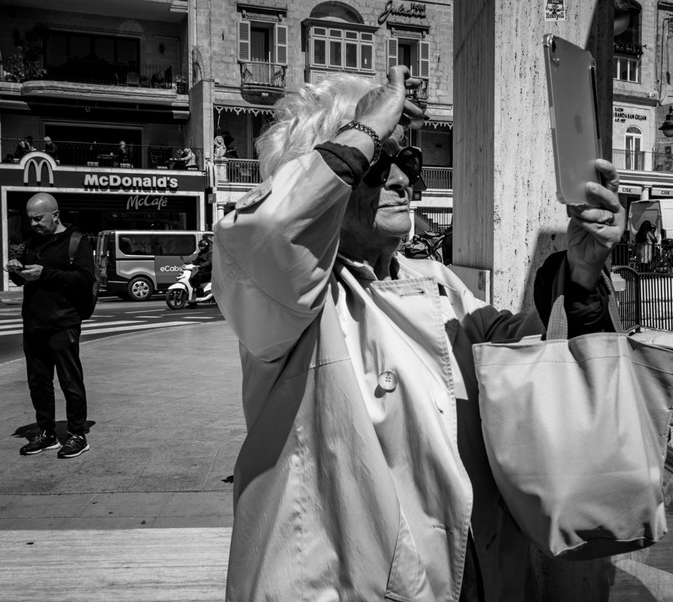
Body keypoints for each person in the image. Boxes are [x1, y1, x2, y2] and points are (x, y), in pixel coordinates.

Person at [213, 66, 623, 600]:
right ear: (325, 176)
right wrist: (367, 127)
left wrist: (582, 272)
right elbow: (268, 231)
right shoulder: (288, 302)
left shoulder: (433, 281)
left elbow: (524, 352)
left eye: (407, 161)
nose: (406, 179)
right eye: (381, 162)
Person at [6, 193, 96, 459]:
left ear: (55, 215)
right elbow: (25, 280)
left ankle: (77, 434)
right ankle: (46, 433)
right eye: (30, 219)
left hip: (63, 322)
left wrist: (44, 273)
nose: (33, 224)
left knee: (70, 381)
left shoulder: (77, 241)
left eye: (38, 218)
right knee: (38, 382)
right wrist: (15, 270)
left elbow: (84, 278)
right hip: (34, 322)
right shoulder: (33, 242)